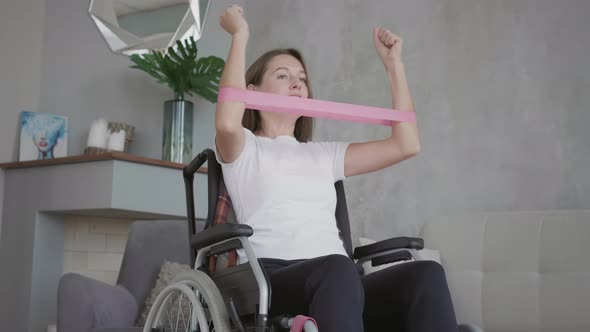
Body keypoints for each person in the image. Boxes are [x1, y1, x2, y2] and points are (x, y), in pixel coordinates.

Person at [215, 4, 458, 332]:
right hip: (271, 281)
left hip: (339, 285)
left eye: (302, 78)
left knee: (427, 274)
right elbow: (228, 120)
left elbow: (407, 144)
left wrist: (393, 66)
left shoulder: (324, 155)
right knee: (337, 269)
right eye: (283, 76)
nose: (298, 83)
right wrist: (239, 36)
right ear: (252, 93)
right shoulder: (245, 148)